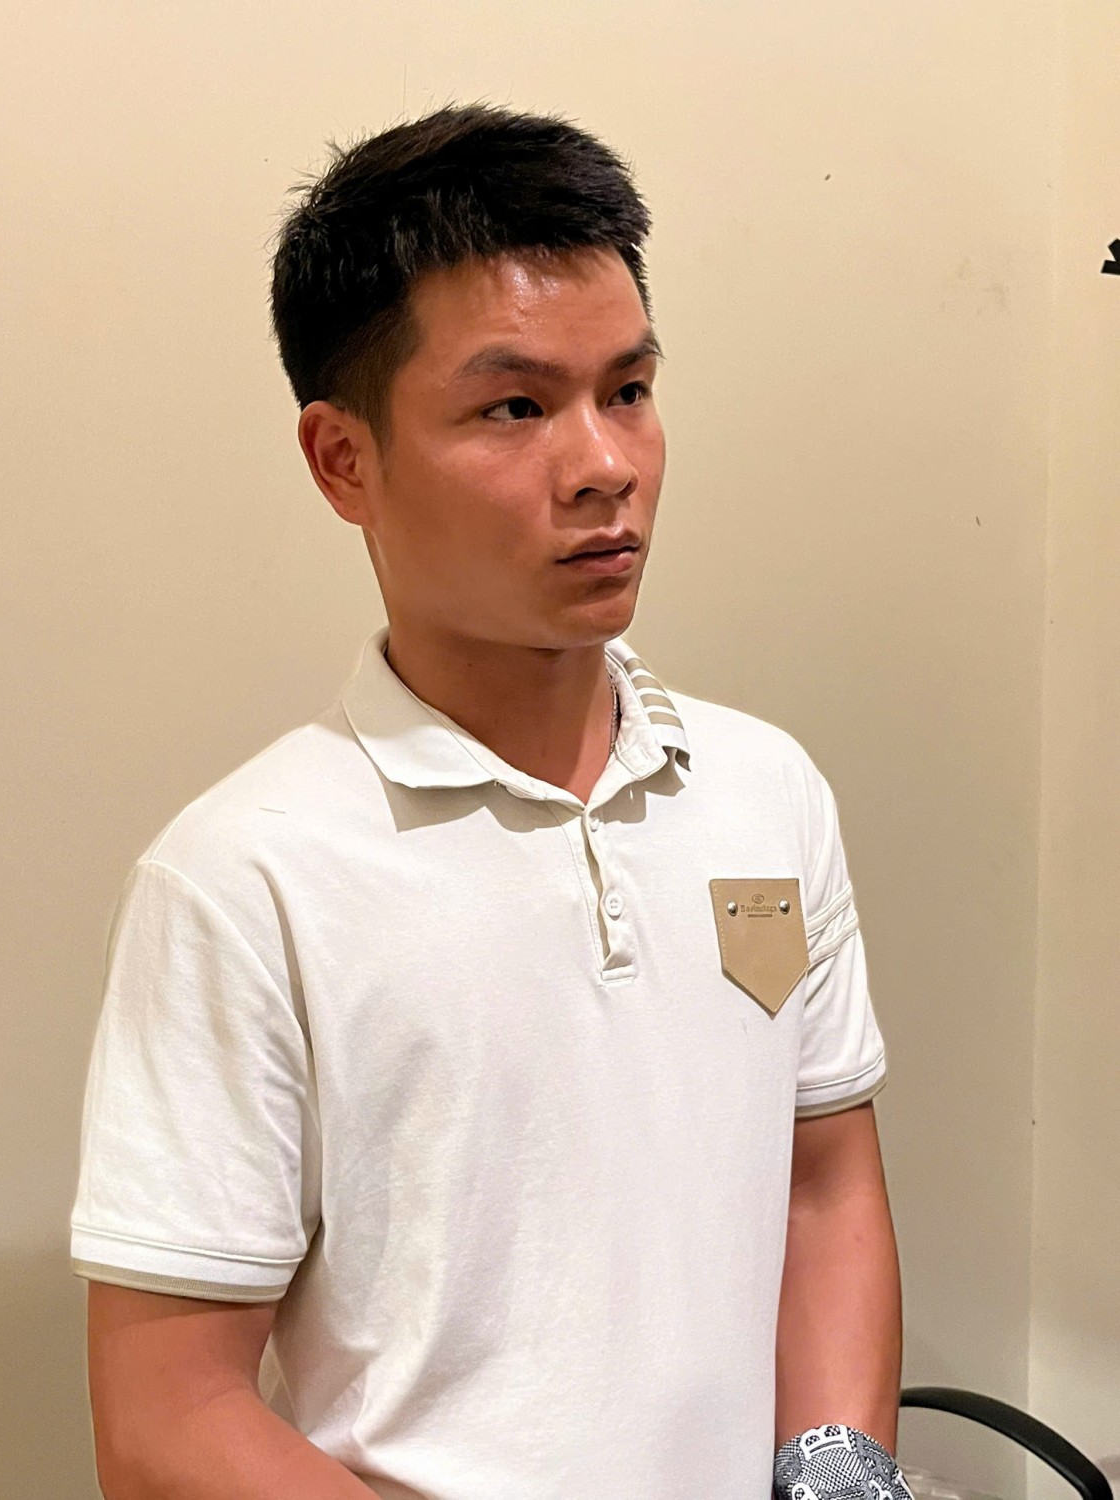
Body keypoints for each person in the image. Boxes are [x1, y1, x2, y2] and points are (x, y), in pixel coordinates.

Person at [72, 102, 906, 1500]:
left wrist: (839, 1477)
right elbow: (167, 1420)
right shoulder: (244, 877)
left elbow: (821, 1186)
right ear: (344, 461)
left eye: (627, 390)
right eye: (514, 408)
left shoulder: (765, 791)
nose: (605, 466)